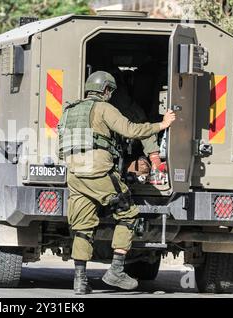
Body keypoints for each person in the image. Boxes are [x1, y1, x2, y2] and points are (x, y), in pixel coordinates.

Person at [58, 71, 176, 295]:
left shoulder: (70, 110)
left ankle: (80, 281)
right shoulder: (104, 108)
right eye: (110, 91)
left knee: (83, 227)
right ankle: (116, 270)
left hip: (75, 176)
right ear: (106, 91)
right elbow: (131, 130)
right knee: (128, 214)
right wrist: (162, 124)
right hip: (99, 175)